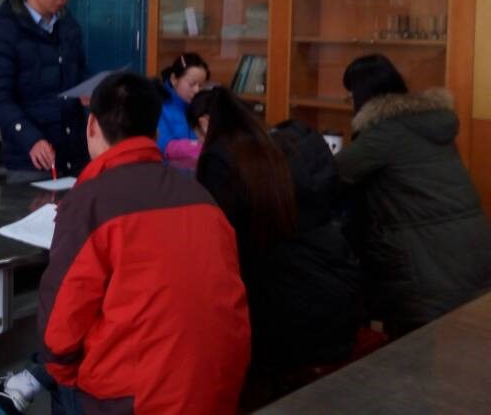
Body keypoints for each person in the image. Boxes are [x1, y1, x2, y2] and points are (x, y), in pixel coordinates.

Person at [0, 72, 250, 415]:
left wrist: (61, 372)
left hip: (140, 404)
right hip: (221, 390)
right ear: (155, 133)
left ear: (91, 125)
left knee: (60, 376)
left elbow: (60, 330)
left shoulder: (90, 202)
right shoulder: (201, 196)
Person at [187, 87, 362, 397]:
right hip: (343, 307)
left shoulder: (225, 163)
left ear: (206, 125)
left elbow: (219, 254)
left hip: (294, 330)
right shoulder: (288, 161)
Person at [336, 54, 491, 337]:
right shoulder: (427, 125)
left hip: (427, 266)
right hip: (472, 256)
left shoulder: (384, 133)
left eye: (350, 96)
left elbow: (333, 174)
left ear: (363, 95)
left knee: (410, 351)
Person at [0, 0, 89, 183]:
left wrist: (88, 91)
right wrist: (30, 138)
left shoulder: (69, 28)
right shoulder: (3, 33)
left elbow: (79, 72)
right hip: (31, 159)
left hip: (75, 155)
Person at [156, 52, 209, 160]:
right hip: (167, 169)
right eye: (191, 84)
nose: (197, 90)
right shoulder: (158, 106)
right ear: (174, 79)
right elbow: (164, 146)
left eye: (201, 85)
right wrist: (202, 148)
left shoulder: (202, 105)